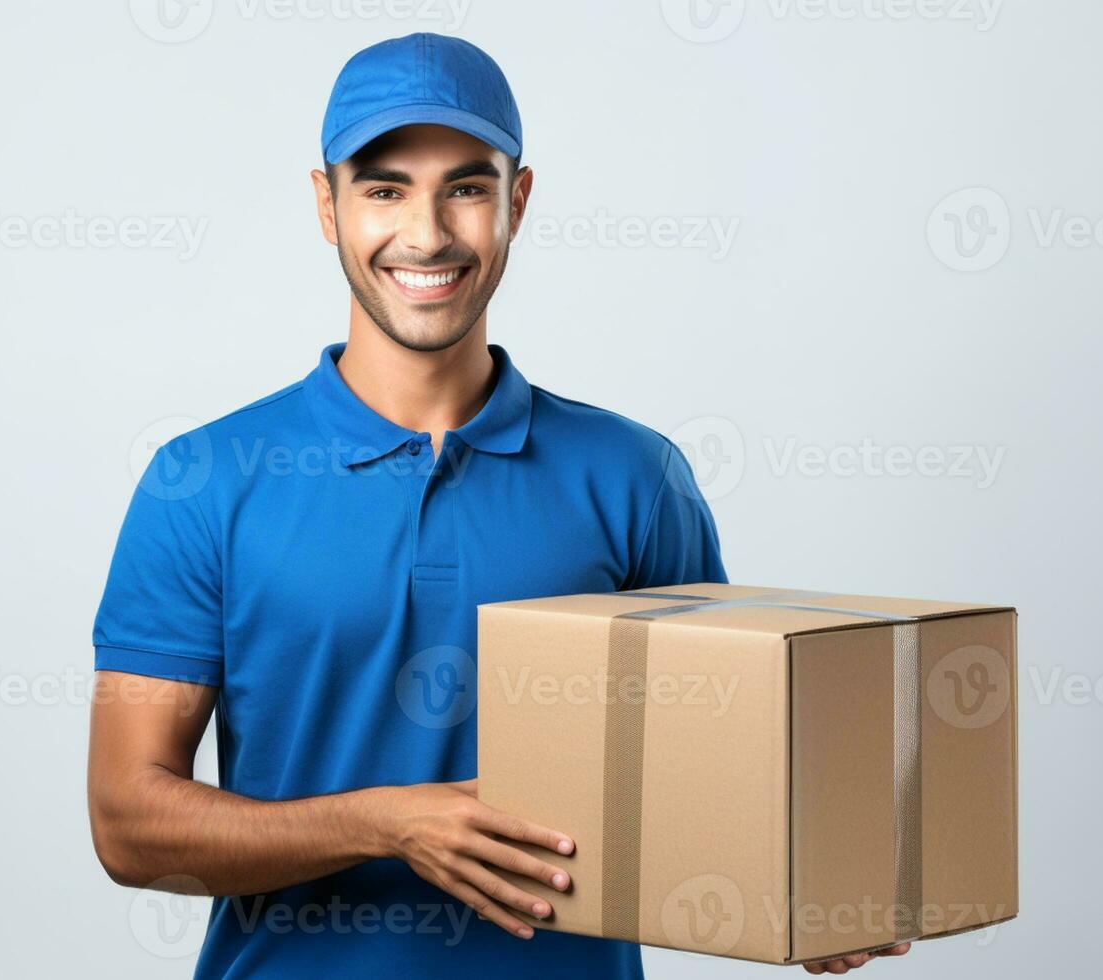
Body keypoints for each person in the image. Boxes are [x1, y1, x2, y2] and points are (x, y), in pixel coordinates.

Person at [86, 31, 903, 979]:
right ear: (326, 205)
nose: (427, 234)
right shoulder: (205, 482)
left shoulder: (636, 478)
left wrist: (815, 889)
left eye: (466, 188)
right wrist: (383, 824)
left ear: (517, 200)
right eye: (384, 188)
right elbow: (127, 822)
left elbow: (717, 771)